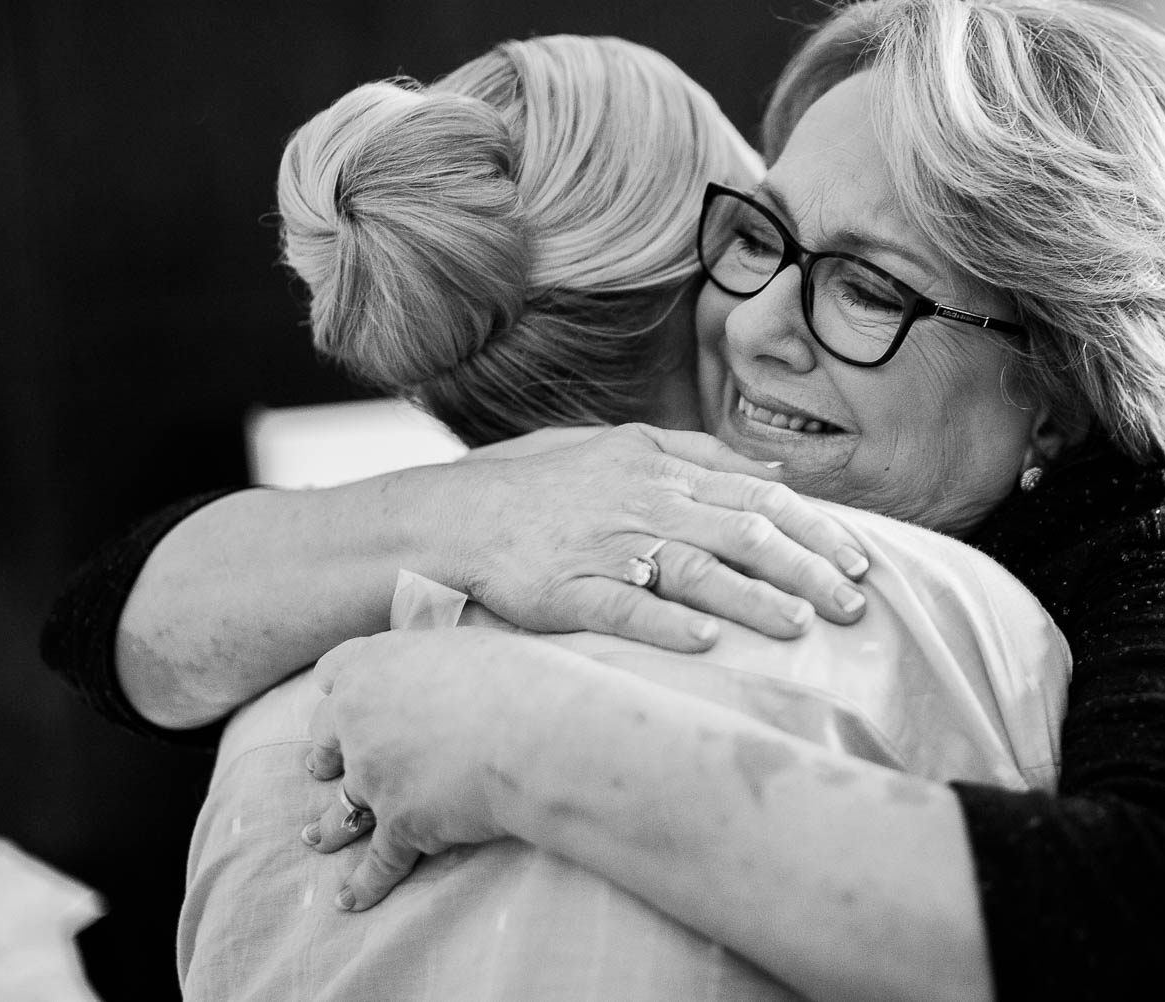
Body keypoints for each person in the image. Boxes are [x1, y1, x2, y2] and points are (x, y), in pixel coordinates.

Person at [40, 1, 1165, 999]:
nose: (752, 323)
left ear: (1065, 385)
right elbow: (106, 623)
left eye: (867, 287)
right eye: (765, 235)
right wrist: (457, 513)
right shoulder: (555, 504)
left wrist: (523, 744)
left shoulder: (1152, 539)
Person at [174, 34, 1070, 999]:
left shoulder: (261, 716)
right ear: (698, 281)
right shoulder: (926, 620)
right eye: (756, 239)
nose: (767, 310)